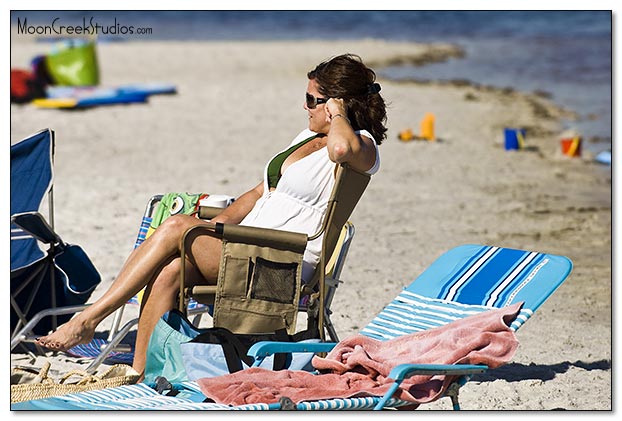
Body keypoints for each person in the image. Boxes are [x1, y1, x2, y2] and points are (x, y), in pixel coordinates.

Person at [36, 53, 387, 377]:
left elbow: (342, 149)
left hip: (281, 267)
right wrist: (214, 228)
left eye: (314, 100)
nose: (306, 107)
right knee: (171, 270)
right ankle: (140, 376)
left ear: (337, 104)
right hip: (249, 250)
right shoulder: (306, 137)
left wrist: (339, 114)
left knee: (176, 226)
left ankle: (90, 318)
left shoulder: (362, 147)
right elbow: (255, 194)